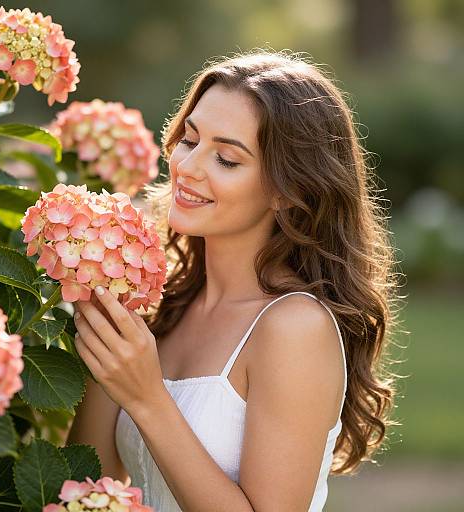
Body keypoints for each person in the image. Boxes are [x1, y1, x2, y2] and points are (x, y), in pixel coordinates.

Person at [67, 50, 400, 511]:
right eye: (189, 138)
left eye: (226, 159)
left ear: (288, 191)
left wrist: (147, 398)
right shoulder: (162, 306)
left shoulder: (294, 328)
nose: (187, 166)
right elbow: (83, 486)